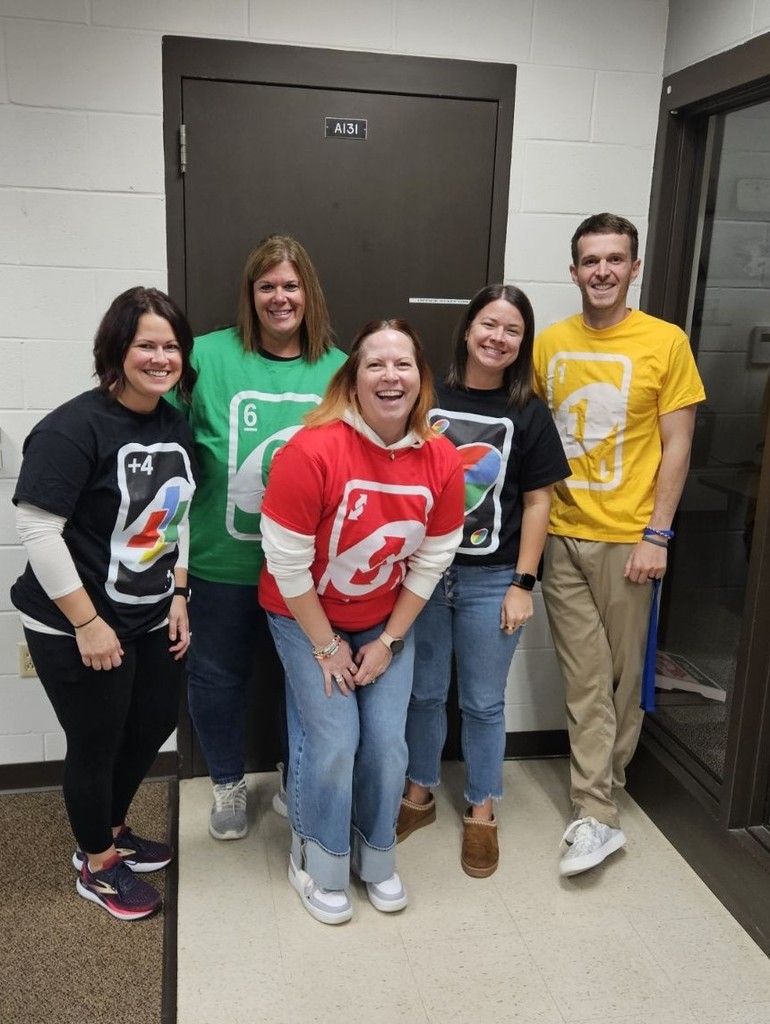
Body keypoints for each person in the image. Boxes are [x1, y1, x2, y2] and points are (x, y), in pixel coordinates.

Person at [258, 319, 465, 924]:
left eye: (403, 364)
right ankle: (315, 858)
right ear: (353, 379)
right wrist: (326, 648)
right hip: (304, 618)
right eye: (375, 364)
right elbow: (288, 565)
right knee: (334, 738)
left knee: (385, 742)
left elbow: (432, 560)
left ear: (420, 378)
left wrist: (389, 641)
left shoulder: (441, 458)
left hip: (383, 623)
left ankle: (375, 856)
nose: (390, 375)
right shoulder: (312, 449)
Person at [11, 287, 197, 920]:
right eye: (147, 344)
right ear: (117, 349)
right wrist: (86, 622)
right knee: (96, 741)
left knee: (151, 724)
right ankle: (97, 864)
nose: (161, 357)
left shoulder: (172, 420)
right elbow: (37, 530)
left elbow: (177, 509)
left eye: (171, 345)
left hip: (148, 611)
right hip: (75, 622)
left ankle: (112, 830)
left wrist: (178, 590)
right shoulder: (72, 427)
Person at [532, 213, 706, 877]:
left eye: (614, 259)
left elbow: (679, 444)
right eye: (589, 260)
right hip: (563, 536)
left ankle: (602, 796)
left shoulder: (665, 343)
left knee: (622, 679)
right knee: (583, 678)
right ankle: (596, 811)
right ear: (573, 270)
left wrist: (657, 534)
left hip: (630, 539)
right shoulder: (550, 344)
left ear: (634, 268)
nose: (601, 270)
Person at [170, 235, 346, 841]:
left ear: (308, 294)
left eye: (290, 285)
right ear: (251, 294)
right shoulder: (204, 356)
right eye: (267, 285)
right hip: (220, 564)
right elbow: (165, 444)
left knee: (304, 683)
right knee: (215, 679)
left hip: (307, 572)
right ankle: (225, 782)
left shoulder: (339, 369)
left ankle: (294, 777)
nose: (279, 297)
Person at [397, 284, 570, 878]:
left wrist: (524, 583)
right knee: (421, 693)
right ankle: (418, 797)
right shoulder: (427, 394)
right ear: (468, 330)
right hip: (422, 575)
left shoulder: (528, 410)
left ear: (522, 343)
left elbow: (541, 502)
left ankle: (482, 813)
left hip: (492, 579)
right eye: (489, 325)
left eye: (513, 330)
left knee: (482, 702)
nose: (498, 337)